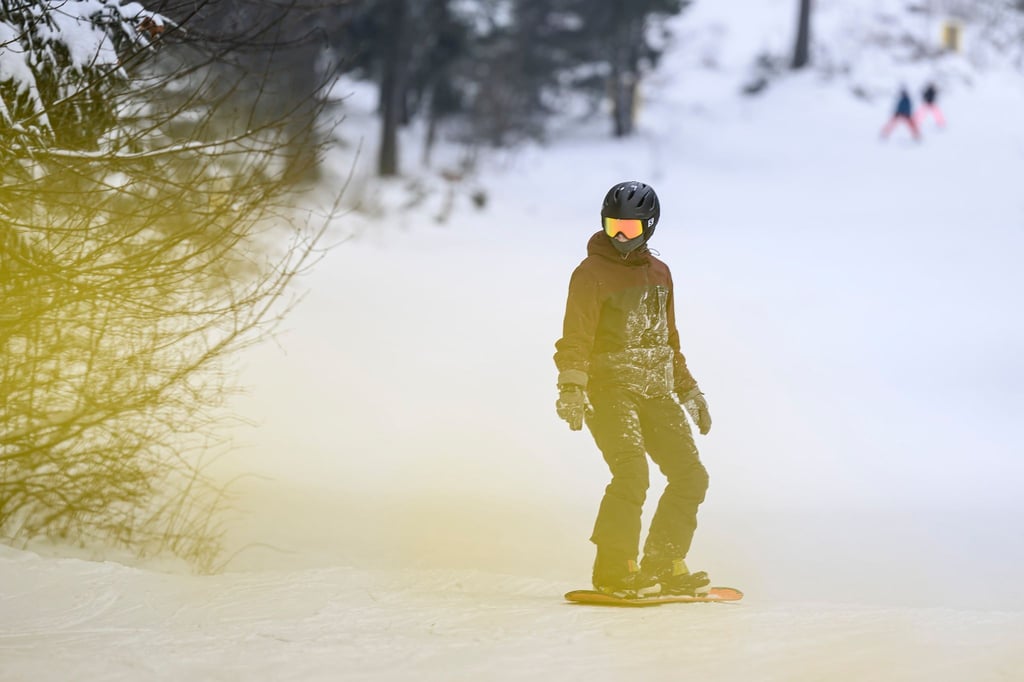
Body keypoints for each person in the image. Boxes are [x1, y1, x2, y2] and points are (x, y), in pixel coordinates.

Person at [553, 180, 713, 599]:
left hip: (656, 389)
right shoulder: (590, 274)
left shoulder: (660, 273)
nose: (620, 236)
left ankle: (663, 562)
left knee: (690, 476)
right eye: (613, 226)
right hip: (609, 390)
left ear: (650, 227)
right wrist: (572, 386)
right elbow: (575, 337)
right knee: (632, 474)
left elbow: (668, 340)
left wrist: (689, 390)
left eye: (630, 227)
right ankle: (613, 569)